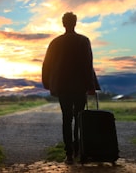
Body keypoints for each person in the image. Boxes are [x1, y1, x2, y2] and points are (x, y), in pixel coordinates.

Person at [42, 12, 100, 164]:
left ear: (63, 24)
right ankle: (78, 150)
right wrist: (91, 86)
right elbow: (88, 64)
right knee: (79, 118)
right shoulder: (83, 40)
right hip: (79, 86)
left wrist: (48, 83)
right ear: (75, 23)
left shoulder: (55, 42)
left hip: (63, 87)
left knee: (66, 119)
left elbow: (46, 64)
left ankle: (68, 155)